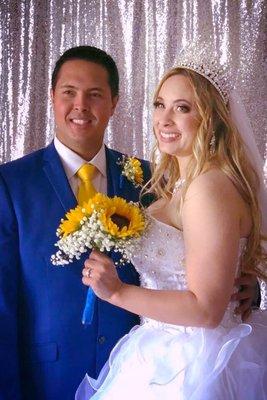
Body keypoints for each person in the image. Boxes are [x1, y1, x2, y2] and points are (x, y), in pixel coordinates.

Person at [76, 48, 267, 399]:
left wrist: (116, 292)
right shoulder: (177, 185)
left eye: (183, 108)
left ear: (211, 119)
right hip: (156, 354)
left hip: (193, 363)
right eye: (159, 104)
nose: (164, 119)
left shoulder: (208, 187)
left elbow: (207, 311)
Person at [0, 46, 152, 400]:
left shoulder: (147, 179)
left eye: (95, 95)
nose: (81, 105)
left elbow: (184, 264)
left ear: (114, 102)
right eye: (69, 92)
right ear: (53, 97)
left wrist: (241, 289)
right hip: (47, 381)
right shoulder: (11, 185)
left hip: (137, 376)